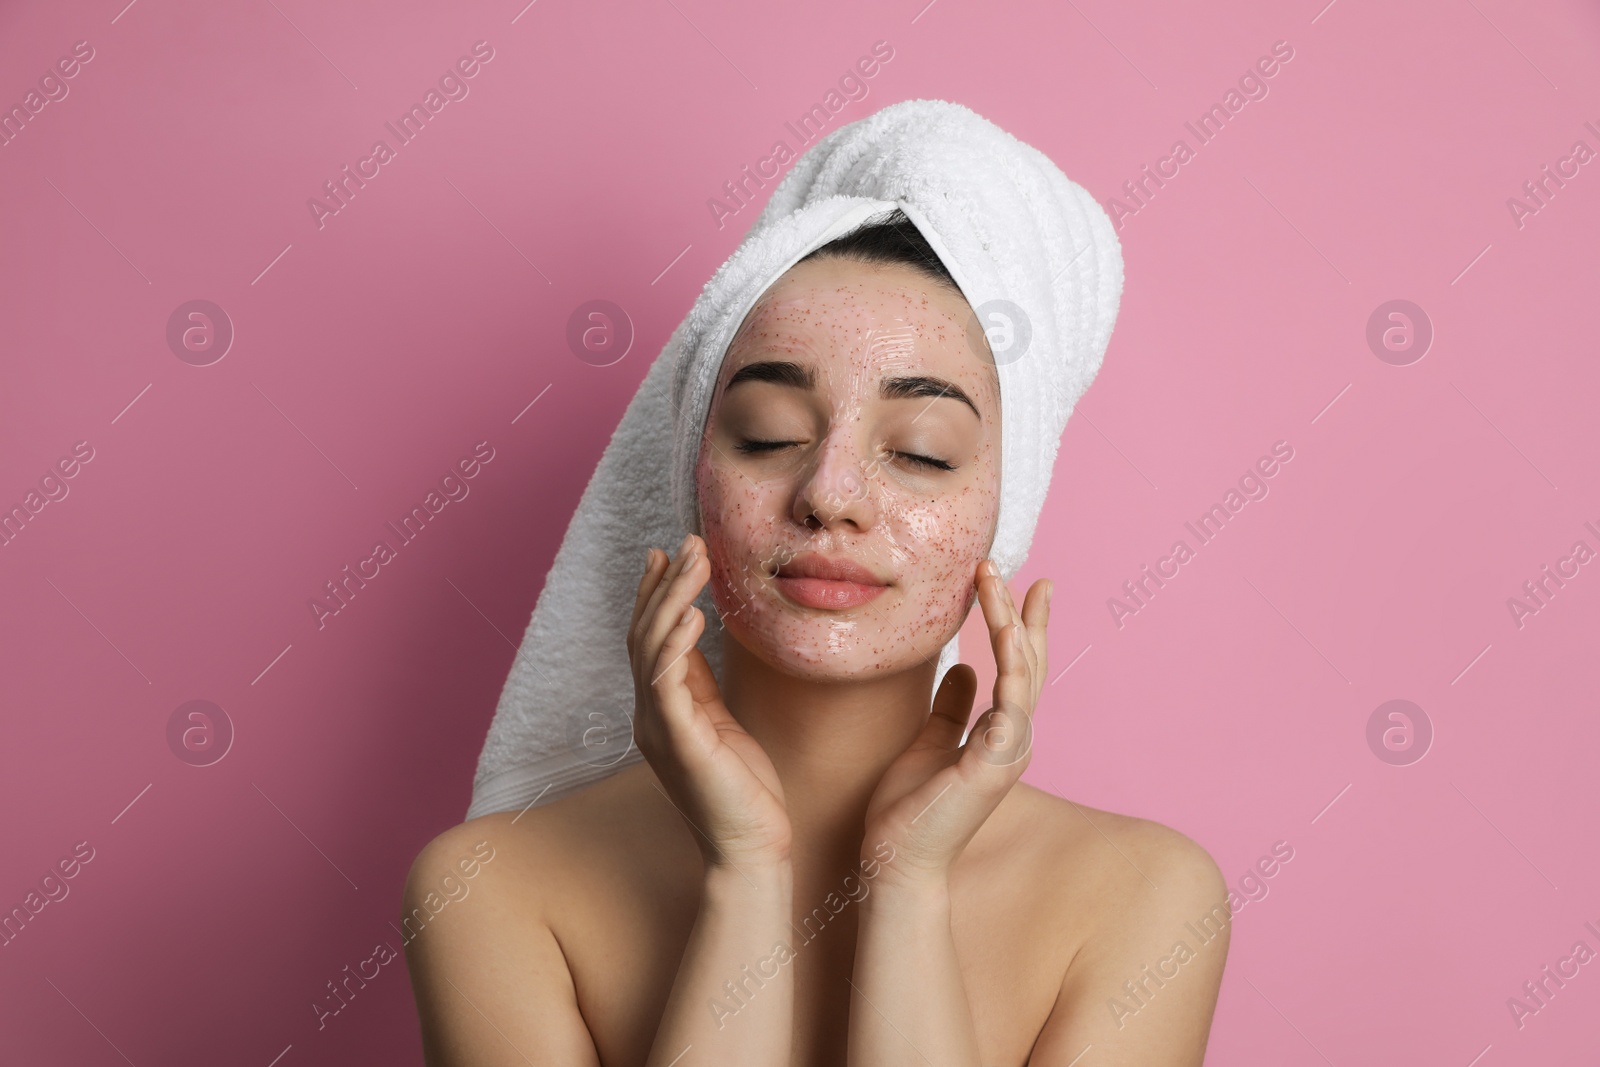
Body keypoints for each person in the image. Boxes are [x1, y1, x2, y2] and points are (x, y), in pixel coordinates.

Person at [403, 211, 1229, 1066]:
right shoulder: (489, 891)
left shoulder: (1142, 900)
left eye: (922, 451)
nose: (830, 493)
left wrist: (907, 886)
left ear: (1003, 514)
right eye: (771, 434)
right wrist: (744, 871)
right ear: (693, 478)